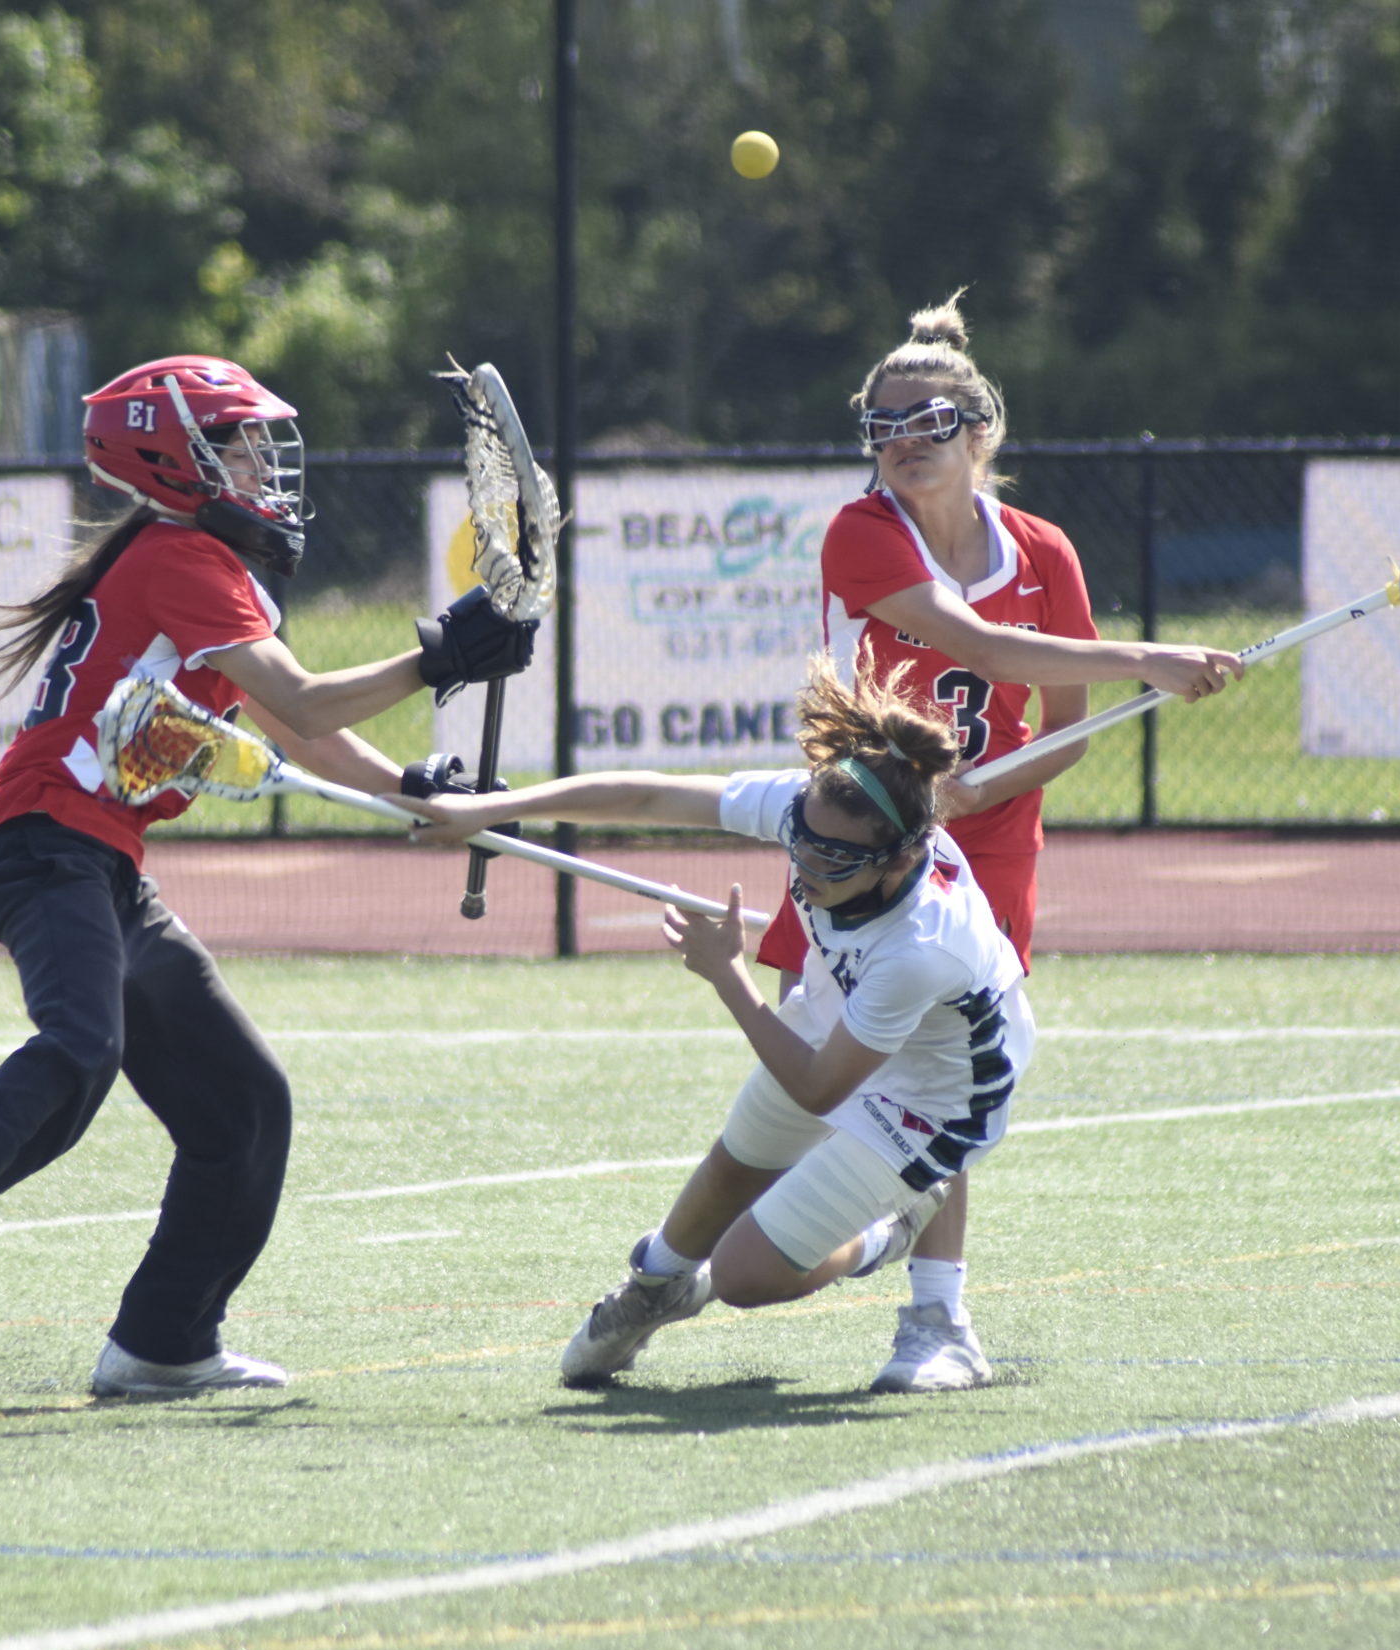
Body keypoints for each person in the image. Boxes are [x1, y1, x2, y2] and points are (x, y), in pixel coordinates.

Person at [0, 354, 538, 1398]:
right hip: (41, 839)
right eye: (237, 443)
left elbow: (300, 732)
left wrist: (417, 792)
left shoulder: (211, 568)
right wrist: (442, 656)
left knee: (243, 1105)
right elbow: (310, 701)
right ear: (170, 458)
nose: (261, 463)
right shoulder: (179, 556)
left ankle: (163, 1343)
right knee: (83, 1042)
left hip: (98, 858)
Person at [746, 292, 1221, 1392]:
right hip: (855, 838)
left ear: (981, 431)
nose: (905, 444)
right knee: (815, 1087)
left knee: (940, 1076)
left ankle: (937, 1323)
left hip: (987, 847)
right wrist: (1152, 658)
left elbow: (1066, 732)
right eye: (886, 427)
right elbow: (979, 647)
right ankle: (863, 1237)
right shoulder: (861, 533)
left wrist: (975, 801)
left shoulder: (1044, 551)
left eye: (931, 424)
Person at [399, 655, 1045, 1390]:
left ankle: (897, 1234)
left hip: (944, 1088)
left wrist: (730, 975)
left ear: (896, 860)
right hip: (851, 1006)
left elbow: (817, 1089)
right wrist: (483, 812)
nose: (802, 866)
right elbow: (648, 796)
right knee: (737, 1161)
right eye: (797, 840)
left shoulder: (922, 947)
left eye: (828, 857)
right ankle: (657, 1285)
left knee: (744, 1273)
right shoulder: (818, 811)